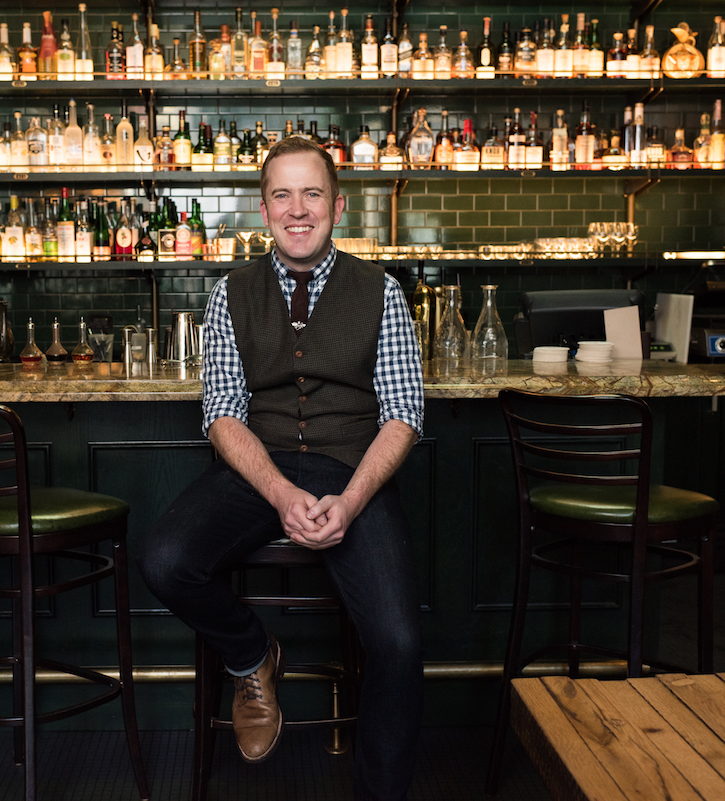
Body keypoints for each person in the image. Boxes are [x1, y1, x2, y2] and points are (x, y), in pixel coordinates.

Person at [138, 136, 424, 800]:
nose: (299, 209)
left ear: (338, 205)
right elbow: (223, 412)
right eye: (283, 195)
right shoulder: (229, 294)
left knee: (400, 642)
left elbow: (404, 411)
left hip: (353, 472)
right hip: (259, 469)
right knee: (165, 557)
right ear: (263, 209)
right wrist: (279, 489)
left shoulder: (382, 292)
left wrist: (349, 502)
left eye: (313, 193)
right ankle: (251, 651)